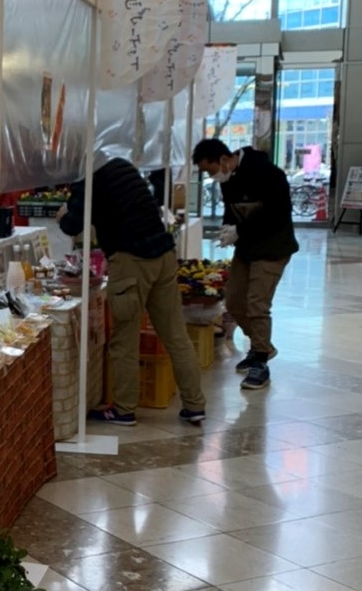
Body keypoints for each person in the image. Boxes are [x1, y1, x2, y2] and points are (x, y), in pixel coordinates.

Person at [59, 157, 206, 426]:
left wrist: (62, 214)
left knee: (124, 339)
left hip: (131, 261)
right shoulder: (122, 165)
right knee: (176, 335)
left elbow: (72, 225)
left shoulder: (87, 178)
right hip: (163, 255)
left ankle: (124, 409)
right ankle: (195, 405)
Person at [193, 139, 298, 391]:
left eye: (210, 170)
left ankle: (260, 361)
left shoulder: (269, 174)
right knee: (234, 301)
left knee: (257, 304)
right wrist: (228, 228)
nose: (212, 176)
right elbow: (232, 211)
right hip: (247, 249)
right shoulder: (229, 179)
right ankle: (263, 347)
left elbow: (277, 214)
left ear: (224, 159)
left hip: (273, 248)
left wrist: (241, 230)